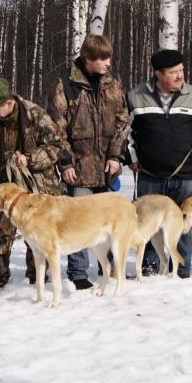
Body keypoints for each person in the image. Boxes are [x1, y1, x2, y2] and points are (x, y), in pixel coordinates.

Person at [0, 78, 73, 293]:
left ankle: (37, 277)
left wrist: (30, 158)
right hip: (3, 185)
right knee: (0, 231)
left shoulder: (36, 115)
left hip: (36, 185)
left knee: (38, 231)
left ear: (9, 103)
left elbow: (57, 147)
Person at [46, 35, 130, 290]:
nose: (107, 63)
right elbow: (55, 128)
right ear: (87, 59)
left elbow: (123, 121)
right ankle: (78, 273)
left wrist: (115, 156)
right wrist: (66, 163)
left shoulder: (113, 83)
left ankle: (110, 268)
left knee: (108, 219)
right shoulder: (65, 84)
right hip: (79, 167)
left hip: (106, 167)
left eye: (108, 58)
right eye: (101, 59)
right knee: (78, 220)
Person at [126, 49, 192, 277]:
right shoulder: (135, 97)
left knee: (183, 224)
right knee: (147, 224)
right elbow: (124, 130)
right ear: (158, 74)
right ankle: (149, 269)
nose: (180, 76)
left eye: (181, 70)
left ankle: (181, 271)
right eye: (173, 72)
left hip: (185, 174)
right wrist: (132, 157)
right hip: (150, 174)